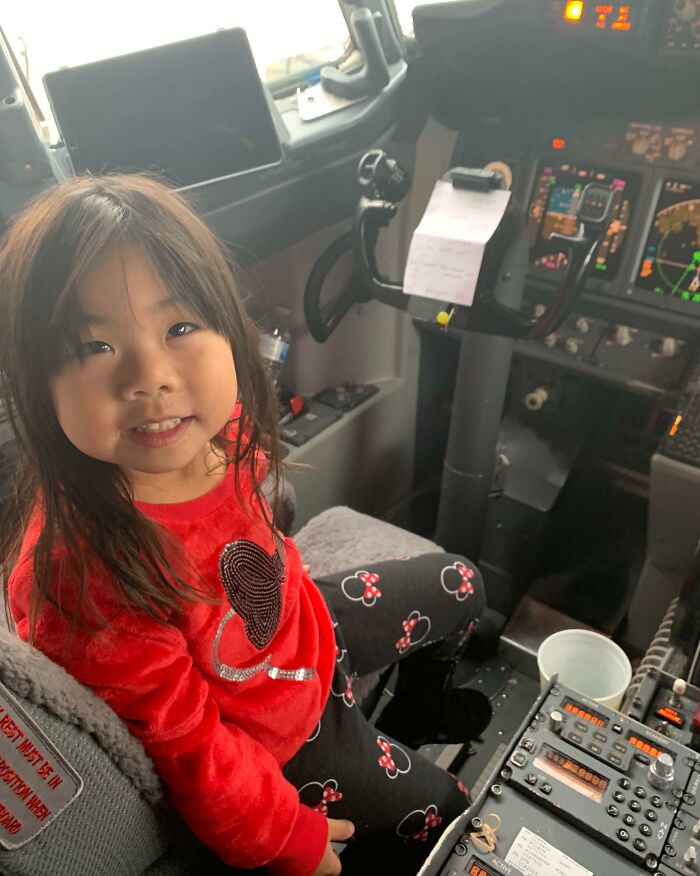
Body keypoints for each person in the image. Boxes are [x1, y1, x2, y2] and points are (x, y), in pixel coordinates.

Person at [0, 174, 489, 876]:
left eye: (178, 327)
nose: (150, 375)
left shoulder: (213, 427)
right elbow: (192, 748)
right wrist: (291, 839)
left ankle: (420, 713)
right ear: (38, 386)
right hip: (283, 737)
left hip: (307, 628)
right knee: (450, 809)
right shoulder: (91, 578)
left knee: (464, 583)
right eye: (93, 347)